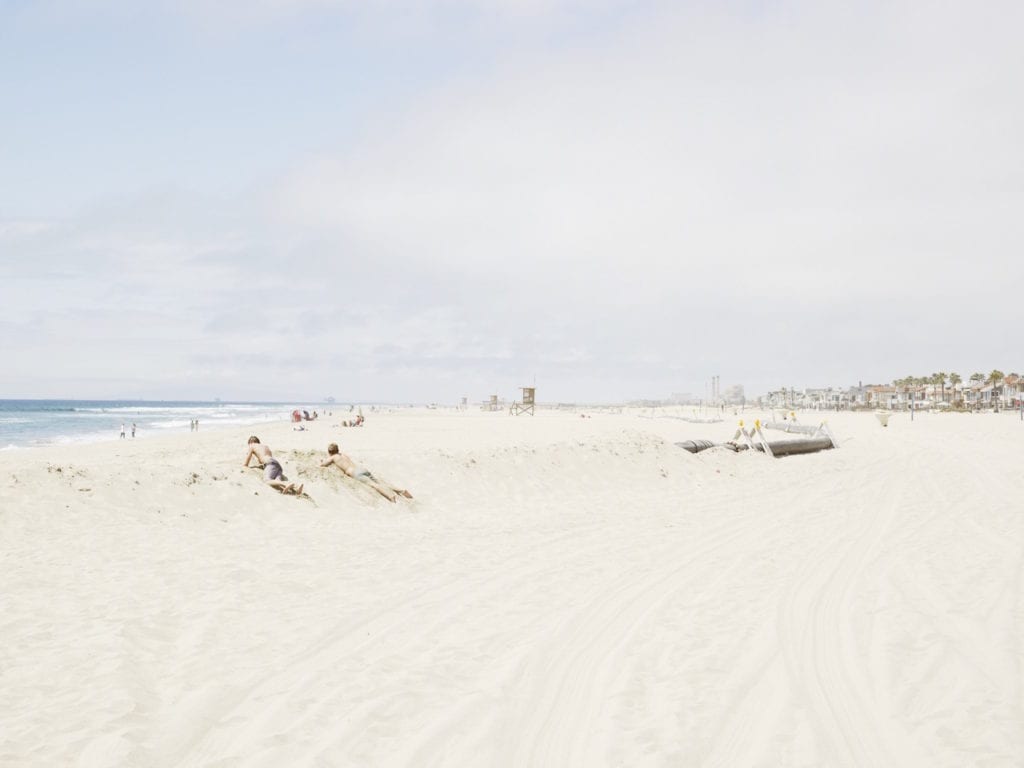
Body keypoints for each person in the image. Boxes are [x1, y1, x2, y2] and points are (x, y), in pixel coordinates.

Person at [320, 443, 411, 502]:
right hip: (361, 469)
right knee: (379, 482)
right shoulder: (343, 454)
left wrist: (322, 461)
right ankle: (401, 491)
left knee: (373, 485)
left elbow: (323, 465)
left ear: (329, 452)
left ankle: (391, 497)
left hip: (355, 473)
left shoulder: (333, 457)